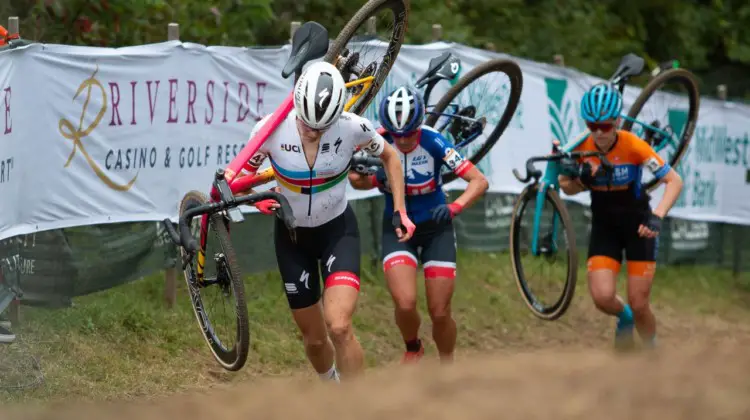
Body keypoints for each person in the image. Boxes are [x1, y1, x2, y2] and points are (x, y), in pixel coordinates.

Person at [237, 62, 415, 382]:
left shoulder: (352, 126)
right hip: (292, 240)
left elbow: (390, 156)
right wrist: (260, 195)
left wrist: (400, 210)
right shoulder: (269, 130)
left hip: (337, 231)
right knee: (316, 341)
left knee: (340, 326)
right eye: (306, 123)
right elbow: (242, 180)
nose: (311, 132)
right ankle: (332, 389)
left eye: (321, 127)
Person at [348, 86, 488, 364]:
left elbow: (479, 181)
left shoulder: (434, 141)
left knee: (439, 311)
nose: (403, 141)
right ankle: (413, 347)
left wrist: (454, 207)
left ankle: (447, 363)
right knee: (405, 302)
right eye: (397, 135)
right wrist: (377, 180)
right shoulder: (379, 140)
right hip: (398, 229)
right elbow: (355, 178)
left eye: (410, 133)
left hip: (437, 228)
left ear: (419, 125)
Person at [557, 83, 683, 350]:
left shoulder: (633, 146)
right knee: (602, 297)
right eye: (592, 126)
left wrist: (657, 216)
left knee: (639, 304)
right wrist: (579, 179)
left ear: (617, 121)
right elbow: (565, 186)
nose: (599, 133)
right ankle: (623, 317)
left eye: (605, 126)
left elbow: (674, 181)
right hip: (605, 226)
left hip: (639, 225)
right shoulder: (580, 146)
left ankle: (652, 350)